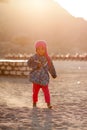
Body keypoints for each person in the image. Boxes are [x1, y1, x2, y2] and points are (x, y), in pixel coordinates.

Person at [27, 40, 57, 109]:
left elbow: (51, 67)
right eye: (39, 49)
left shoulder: (48, 58)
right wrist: (36, 65)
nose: (41, 50)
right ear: (36, 49)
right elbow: (29, 64)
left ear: (45, 49)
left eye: (42, 49)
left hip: (44, 78)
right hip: (36, 78)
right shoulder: (33, 57)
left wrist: (53, 74)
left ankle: (48, 104)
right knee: (35, 92)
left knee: (46, 92)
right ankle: (34, 103)